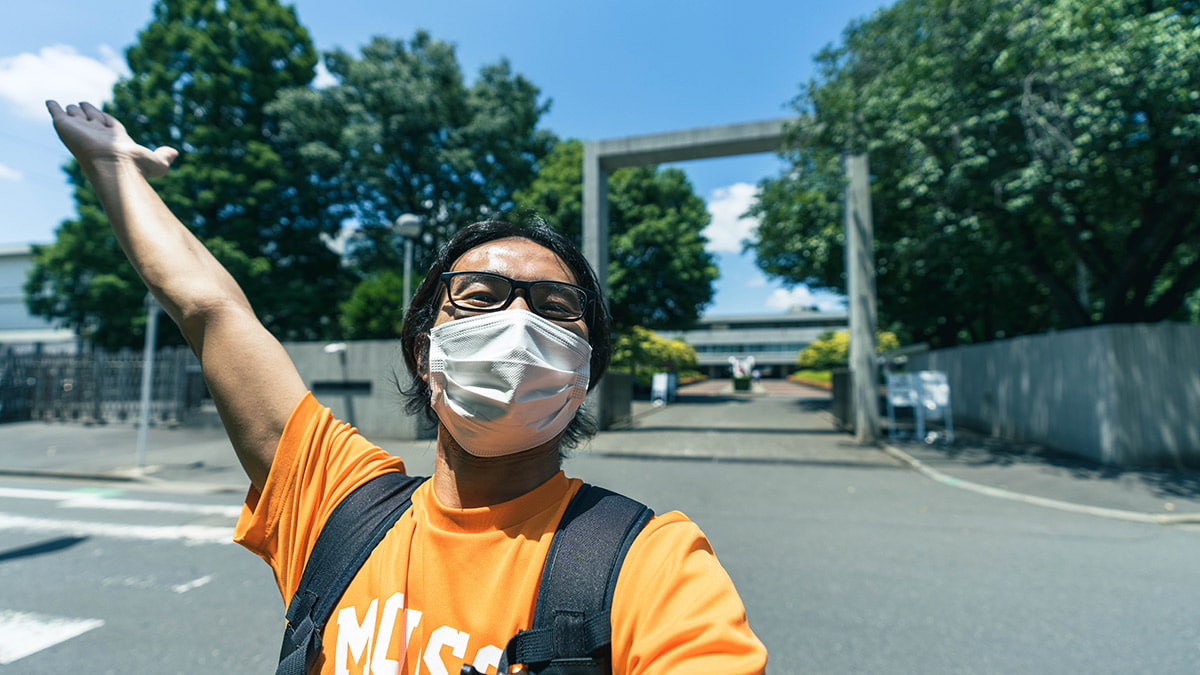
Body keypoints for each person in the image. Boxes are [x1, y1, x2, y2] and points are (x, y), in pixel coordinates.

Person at [47, 100, 767, 674]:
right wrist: (116, 168)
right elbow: (209, 307)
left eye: (553, 307)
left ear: (584, 372)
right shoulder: (337, 503)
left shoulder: (652, 563)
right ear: (425, 351)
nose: (518, 321)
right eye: (481, 295)